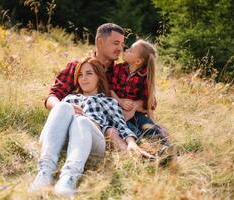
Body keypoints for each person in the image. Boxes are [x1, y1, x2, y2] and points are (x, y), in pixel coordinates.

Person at [29, 57, 150, 197]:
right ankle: (45, 173)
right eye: (80, 75)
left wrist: (131, 143)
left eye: (89, 73)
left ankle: (69, 178)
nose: (83, 78)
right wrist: (66, 107)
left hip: (92, 141)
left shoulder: (109, 102)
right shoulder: (69, 98)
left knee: (82, 121)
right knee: (62, 106)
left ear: (99, 76)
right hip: (63, 138)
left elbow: (121, 126)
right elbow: (56, 121)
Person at [44, 23, 145, 150]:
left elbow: (148, 102)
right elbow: (52, 97)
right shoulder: (78, 67)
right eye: (115, 43)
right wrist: (62, 108)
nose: (120, 48)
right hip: (84, 122)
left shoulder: (122, 71)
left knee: (145, 124)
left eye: (122, 44)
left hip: (119, 123)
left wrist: (134, 105)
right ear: (100, 42)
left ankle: (159, 152)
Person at [110, 39, 169, 145]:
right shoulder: (118, 69)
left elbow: (148, 101)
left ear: (138, 61)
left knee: (149, 127)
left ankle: (166, 149)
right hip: (118, 112)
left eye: (131, 51)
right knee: (132, 130)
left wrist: (151, 120)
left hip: (136, 113)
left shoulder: (144, 76)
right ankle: (145, 149)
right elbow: (110, 89)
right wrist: (120, 101)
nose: (126, 50)